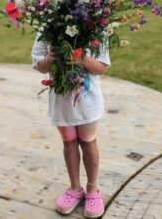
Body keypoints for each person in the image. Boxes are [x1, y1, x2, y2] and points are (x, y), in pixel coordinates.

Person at [31, 31, 111, 218]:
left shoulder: (97, 28)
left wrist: (82, 59)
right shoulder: (47, 28)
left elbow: (101, 68)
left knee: (88, 141)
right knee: (69, 142)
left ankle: (92, 190)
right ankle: (75, 187)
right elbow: (39, 65)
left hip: (87, 103)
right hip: (62, 103)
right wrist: (49, 59)